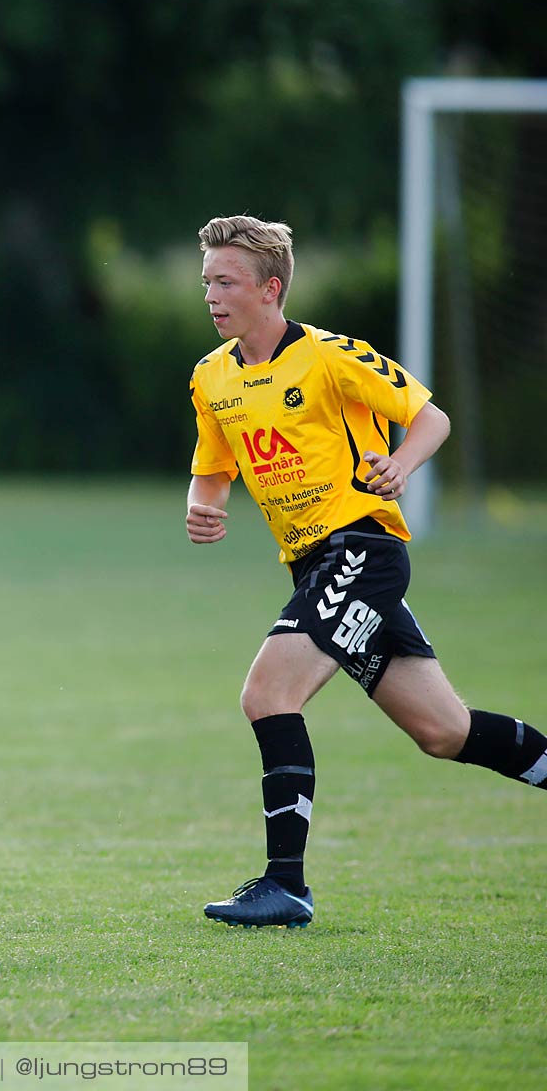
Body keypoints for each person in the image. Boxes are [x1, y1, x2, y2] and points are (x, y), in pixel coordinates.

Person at [186, 215, 546, 928]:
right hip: (311, 567)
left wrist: (399, 465)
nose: (212, 296)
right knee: (443, 730)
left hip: (362, 551)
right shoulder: (212, 377)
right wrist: (203, 507)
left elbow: (430, 418)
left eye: (226, 281)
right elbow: (212, 470)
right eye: (206, 282)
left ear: (271, 288)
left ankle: (285, 885)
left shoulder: (330, 357)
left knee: (267, 693)